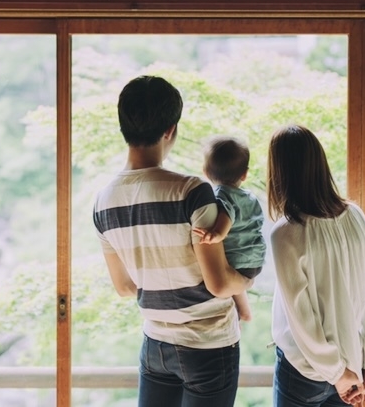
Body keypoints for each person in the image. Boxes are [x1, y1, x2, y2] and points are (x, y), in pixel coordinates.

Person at [93, 75, 253, 407]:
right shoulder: (191, 190)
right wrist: (248, 278)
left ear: (124, 125)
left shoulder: (103, 201)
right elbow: (221, 284)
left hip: (155, 345)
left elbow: (124, 288)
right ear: (170, 130)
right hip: (208, 345)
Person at [267, 124, 365, 407]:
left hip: (307, 371)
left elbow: (301, 318)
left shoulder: (286, 233)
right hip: (353, 365)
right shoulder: (357, 218)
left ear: (279, 172)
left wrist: (338, 373)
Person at [193, 135, 266, 322]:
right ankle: (245, 313)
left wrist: (217, 234)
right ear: (244, 174)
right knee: (235, 280)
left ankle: (242, 313)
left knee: (221, 273)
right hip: (255, 259)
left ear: (206, 172)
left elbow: (228, 214)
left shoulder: (220, 195)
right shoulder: (250, 197)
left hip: (238, 259)